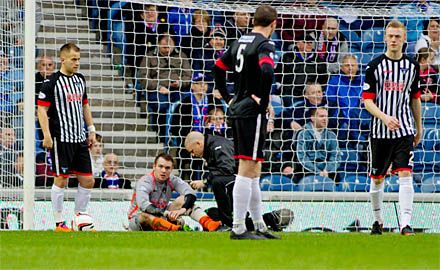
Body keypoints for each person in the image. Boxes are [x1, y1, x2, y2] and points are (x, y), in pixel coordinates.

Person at [213, 5, 280, 240]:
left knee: (254, 168)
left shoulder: (240, 41)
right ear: (273, 24)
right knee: (247, 166)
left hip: (238, 108)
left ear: (253, 21)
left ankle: (259, 224)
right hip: (251, 112)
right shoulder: (264, 44)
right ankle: (239, 227)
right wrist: (261, 100)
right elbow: (267, 71)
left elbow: (217, 68)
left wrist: (228, 97)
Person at [362, 21, 423, 236]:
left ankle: (406, 224)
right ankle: (377, 220)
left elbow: (415, 99)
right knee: (377, 177)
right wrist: (385, 117)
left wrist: (419, 127)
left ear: (405, 39)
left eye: (398, 36)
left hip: (404, 130)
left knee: (405, 173)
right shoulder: (374, 66)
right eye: (391, 36)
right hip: (380, 131)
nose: (394, 40)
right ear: (385, 38)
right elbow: (367, 101)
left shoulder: (413, 67)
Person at [37, 43, 97, 232]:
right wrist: (46, 136)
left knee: (88, 180)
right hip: (60, 139)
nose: (77, 63)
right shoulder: (51, 83)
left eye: (78, 59)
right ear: (63, 59)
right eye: (74, 59)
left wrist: (91, 130)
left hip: (79, 138)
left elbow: (85, 105)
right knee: (61, 179)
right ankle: (58, 223)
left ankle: (80, 219)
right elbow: (42, 109)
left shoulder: (80, 80)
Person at [184, 131, 294, 231]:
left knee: (218, 182)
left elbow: (227, 168)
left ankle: (227, 222)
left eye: (192, 151)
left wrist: (205, 181)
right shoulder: (212, 146)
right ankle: (268, 219)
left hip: (245, 179)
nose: (193, 155)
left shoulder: (218, 146)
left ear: (199, 143)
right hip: (240, 180)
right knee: (211, 213)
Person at [127, 153, 223, 232]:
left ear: (172, 169)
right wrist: (165, 213)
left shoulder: (172, 180)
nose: (164, 171)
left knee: (183, 200)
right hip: (139, 221)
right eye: (160, 167)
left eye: (167, 168)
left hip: (163, 216)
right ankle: (177, 229)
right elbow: (144, 205)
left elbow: (191, 193)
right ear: (154, 166)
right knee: (144, 216)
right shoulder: (145, 182)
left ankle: (210, 225)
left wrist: (183, 209)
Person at [138, 33, 191, 138]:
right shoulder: (149, 56)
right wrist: (159, 87)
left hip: (177, 89)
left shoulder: (181, 56)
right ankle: (161, 134)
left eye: (170, 47)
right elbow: (144, 78)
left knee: (186, 105)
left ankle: (177, 135)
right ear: (158, 44)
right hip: (156, 90)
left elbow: (188, 75)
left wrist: (180, 82)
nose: (167, 50)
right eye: (164, 47)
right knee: (162, 105)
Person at [170, 72, 220, 180]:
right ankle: (187, 178)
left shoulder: (215, 102)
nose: (203, 86)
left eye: (205, 83)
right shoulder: (184, 104)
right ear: (192, 86)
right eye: (199, 83)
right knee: (184, 150)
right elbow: (175, 127)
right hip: (191, 141)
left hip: (210, 140)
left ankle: (210, 182)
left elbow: (223, 123)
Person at [326, 54, 370, 149]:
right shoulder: (334, 82)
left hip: (361, 122)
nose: (350, 68)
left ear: (358, 66)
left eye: (353, 65)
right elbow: (331, 106)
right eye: (347, 65)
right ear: (341, 67)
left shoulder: (365, 81)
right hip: (342, 124)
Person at [274, 32, 327, 107]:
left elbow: (323, 80)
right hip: (289, 94)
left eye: (310, 42)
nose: (309, 44)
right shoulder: (287, 57)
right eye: (306, 42)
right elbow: (278, 76)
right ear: (298, 44)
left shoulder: (318, 61)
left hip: (310, 96)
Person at [294, 107, 340, 183]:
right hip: (307, 171)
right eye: (321, 116)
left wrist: (327, 170)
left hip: (327, 171)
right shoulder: (302, 134)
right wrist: (317, 172)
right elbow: (302, 157)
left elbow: (335, 156)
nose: (325, 119)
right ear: (313, 118)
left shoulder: (331, 135)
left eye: (326, 116)